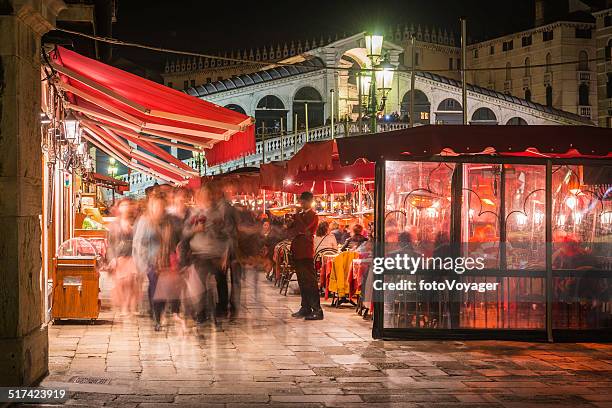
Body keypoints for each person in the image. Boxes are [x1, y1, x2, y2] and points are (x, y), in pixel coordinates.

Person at [289, 191, 324, 320]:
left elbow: (306, 231)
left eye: (303, 201)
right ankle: (305, 307)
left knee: (310, 281)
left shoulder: (314, 216)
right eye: (300, 201)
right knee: (302, 281)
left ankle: (317, 309)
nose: (301, 203)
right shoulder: (298, 215)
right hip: (297, 251)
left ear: (309, 202)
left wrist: (297, 218)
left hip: (306, 252)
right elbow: (292, 230)